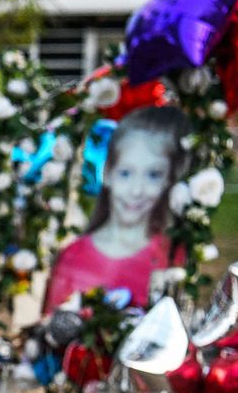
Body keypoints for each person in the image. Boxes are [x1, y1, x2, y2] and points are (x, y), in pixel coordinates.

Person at [43, 105, 189, 314]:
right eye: (126, 173)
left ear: (169, 179)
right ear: (108, 173)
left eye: (153, 175)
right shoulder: (73, 258)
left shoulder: (173, 256)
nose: (136, 191)